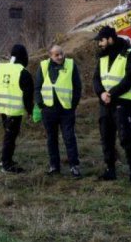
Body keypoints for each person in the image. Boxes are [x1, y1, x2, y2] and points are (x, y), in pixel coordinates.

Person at [93, 26, 131, 182]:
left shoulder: (130, 55)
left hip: (122, 103)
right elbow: (96, 79)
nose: (99, 44)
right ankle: (110, 170)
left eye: (101, 40)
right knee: (106, 138)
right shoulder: (102, 57)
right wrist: (101, 93)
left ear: (110, 39)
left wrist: (111, 94)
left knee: (125, 138)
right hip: (105, 104)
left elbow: (130, 78)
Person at [35, 44, 83, 178]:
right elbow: (38, 87)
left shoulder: (71, 65)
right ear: (50, 55)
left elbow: (77, 87)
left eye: (62, 53)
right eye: (57, 55)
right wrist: (41, 104)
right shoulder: (44, 66)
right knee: (51, 138)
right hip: (48, 109)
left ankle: (74, 166)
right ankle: (54, 166)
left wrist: (73, 105)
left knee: (69, 138)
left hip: (66, 109)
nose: (60, 57)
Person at [0, 44, 33, 173]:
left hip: (4, 109)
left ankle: (6, 160)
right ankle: (6, 164)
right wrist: (31, 111)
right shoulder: (23, 72)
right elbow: (27, 95)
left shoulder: (2, 69)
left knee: (8, 136)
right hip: (15, 111)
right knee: (10, 137)